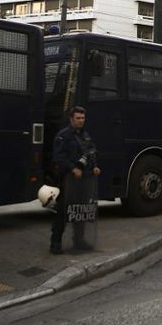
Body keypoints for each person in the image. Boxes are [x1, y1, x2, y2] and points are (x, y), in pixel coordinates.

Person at [49, 106, 100, 254]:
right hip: (66, 180)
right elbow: (58, 157)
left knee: (80, 210)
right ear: (71, 119)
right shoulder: (63, 136)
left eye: (83, 118)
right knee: (63, 211)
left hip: (83, 180)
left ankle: (79, 240)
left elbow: (91, 152)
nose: (81, 121)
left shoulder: (86, 136)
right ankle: (56, 243)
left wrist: (94, 167)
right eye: (78, 118)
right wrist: (72, 168)